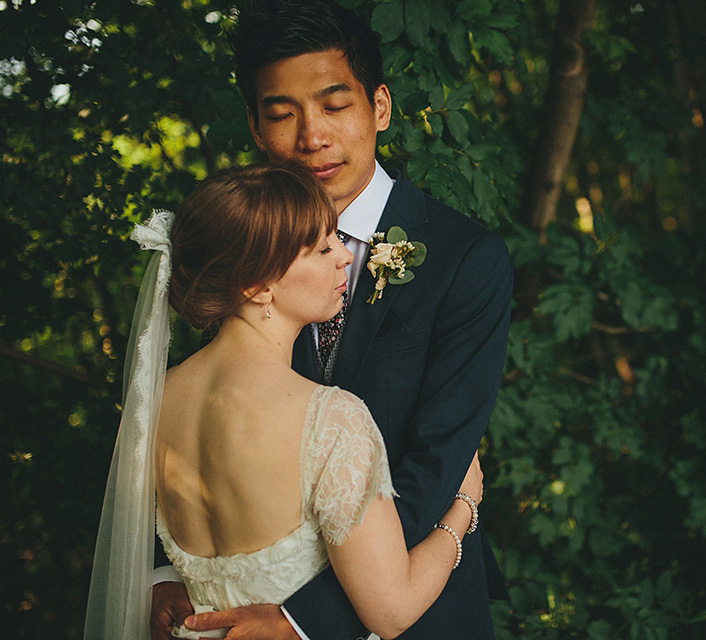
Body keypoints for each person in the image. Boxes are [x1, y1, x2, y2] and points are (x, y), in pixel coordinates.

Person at [151, 1, 513, 639]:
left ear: (379, 106)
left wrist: (303, 621)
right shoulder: (240, 249)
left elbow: (437, 464)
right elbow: (197, 432)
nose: (311, 136)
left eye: (334, 105)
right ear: (257, 127)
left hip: (414, 613)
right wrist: (167, 577)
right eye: (282, 114)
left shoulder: (465, 260)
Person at [84, 162, 483, 640]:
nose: (345, 257)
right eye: (321, 247)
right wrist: (462, 509)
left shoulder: (157, 398)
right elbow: (391, 611)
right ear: (257, 286)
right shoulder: (330, 419)